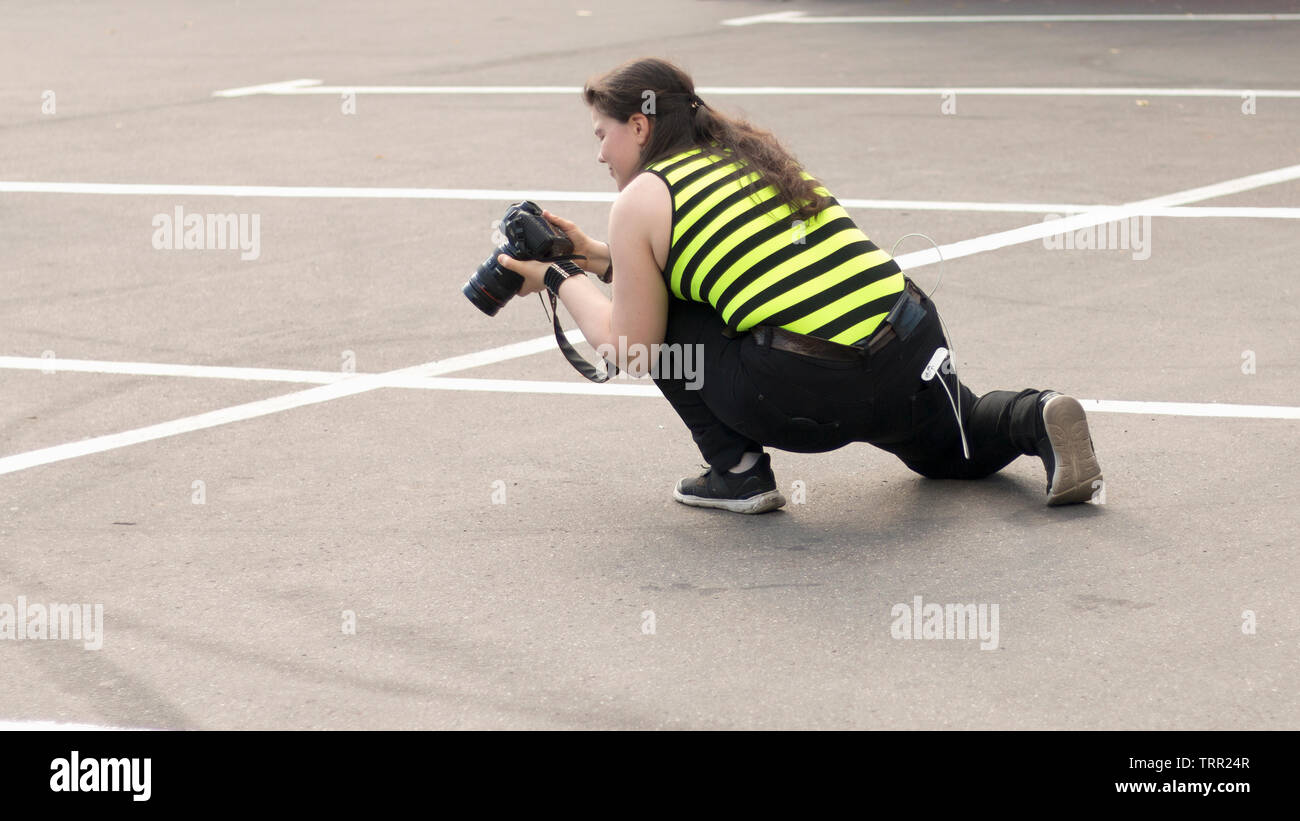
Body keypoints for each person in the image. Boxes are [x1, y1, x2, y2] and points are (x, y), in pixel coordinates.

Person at [497, 57, 1102, 514]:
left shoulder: (642, 199)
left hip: (808, 391)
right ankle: (1036, 414)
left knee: (666, 326)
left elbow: (631, 347)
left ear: (638, 125)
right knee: (957, 449)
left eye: (601, 134)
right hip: (908, 346)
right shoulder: (751, 154)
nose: (599, 153)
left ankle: (738, 472)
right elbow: (720, 262)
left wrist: (556, 275)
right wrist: (593, 256)